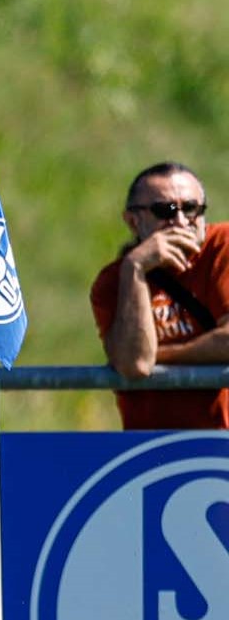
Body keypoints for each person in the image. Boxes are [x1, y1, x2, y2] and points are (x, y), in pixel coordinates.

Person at [90, 162, 229, 428]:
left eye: (191, 208)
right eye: (165, 211)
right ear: (133, 221)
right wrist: (136, 269)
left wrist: (161, 356)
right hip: (152, 451)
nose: (180, 221)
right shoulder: (114, 280)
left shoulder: (223, 246)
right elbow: (136, 365)